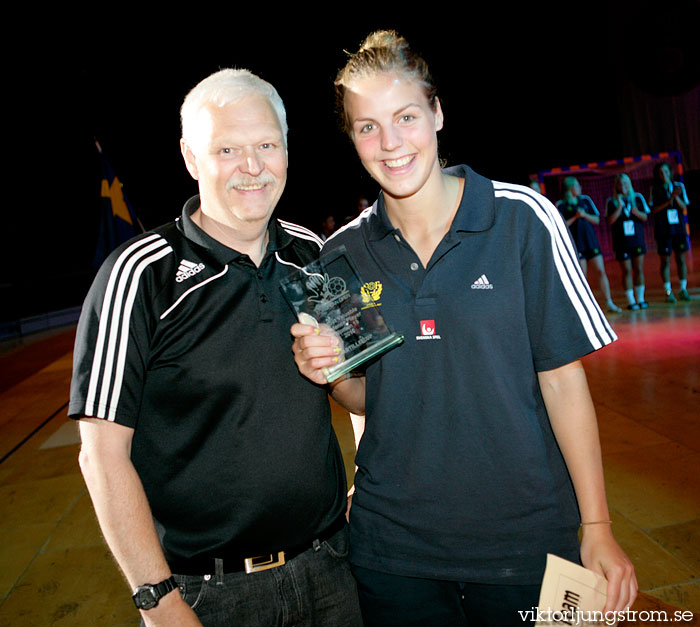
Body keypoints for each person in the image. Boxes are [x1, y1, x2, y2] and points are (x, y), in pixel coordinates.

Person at [291, 31, 637, 627]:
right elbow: (367, 394)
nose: (390, 142)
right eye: (367, 126)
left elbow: (562, 382)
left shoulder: (521, 218)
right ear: (351, 136)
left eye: (406, 116)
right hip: (393, 550)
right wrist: (329, 371)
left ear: (438, 113)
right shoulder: (338, 258)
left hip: (527, 543)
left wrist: (598, 526)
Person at [69, 69, 362, 627]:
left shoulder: (314, 253)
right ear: (190, 157)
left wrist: (364, 483)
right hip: (208, 595)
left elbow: (362, 388)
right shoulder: (139, 276)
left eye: (266, 146)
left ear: (284, 150)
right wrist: (158, 601)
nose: (252, 167)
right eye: (227, 148)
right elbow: (101, 456)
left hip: (333, 569)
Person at [557, 177, 622, 313]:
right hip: (576, 245)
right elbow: (561, 226)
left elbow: (597, 219)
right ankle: (584, 307)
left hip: (590, 242)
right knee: (582, 277)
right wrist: (575, 217)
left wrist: (584, 215)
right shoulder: (561, 205)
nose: (580, 187)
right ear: (570, 188)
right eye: (576, 185)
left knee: (600, 271)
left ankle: (609, 302)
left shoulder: (585, 200)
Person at [605, 173, 651, 310]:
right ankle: (631, 301)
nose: (623, 186)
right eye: (620, 184)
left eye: (625, 183)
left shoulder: (637, 198)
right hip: (621, 241)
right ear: (616, 186)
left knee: (638, 269)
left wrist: (635, 211)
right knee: (626, 270)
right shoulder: (612, 201)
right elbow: (610, 221)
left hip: (637, 239)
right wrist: (619, 207)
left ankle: (641, 299)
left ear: (629, 184)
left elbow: (645, 217)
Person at [649, 161, 692, 302]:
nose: (664, 175)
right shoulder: (655, 189)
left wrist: (675, 197)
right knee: (665, 261)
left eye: (666, 172)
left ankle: (683, 289)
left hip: (678, 229)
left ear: (670, 172)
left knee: (681, 259)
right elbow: (653, 210)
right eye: (661, 173)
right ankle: (668, 291)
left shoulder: (679, 187)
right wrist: (669, 200)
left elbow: (684, 207)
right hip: (663, 230)